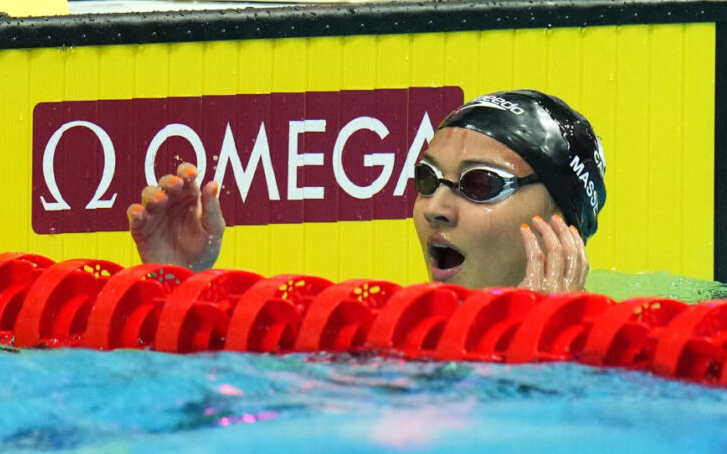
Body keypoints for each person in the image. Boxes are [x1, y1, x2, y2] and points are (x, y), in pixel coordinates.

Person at [127, 89, 606, 293]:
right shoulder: (392, 335)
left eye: (478, 184)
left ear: (562, 221)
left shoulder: (616, 358)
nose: (435, 208)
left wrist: (549, 353)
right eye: (426, 180)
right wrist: (177, 281)